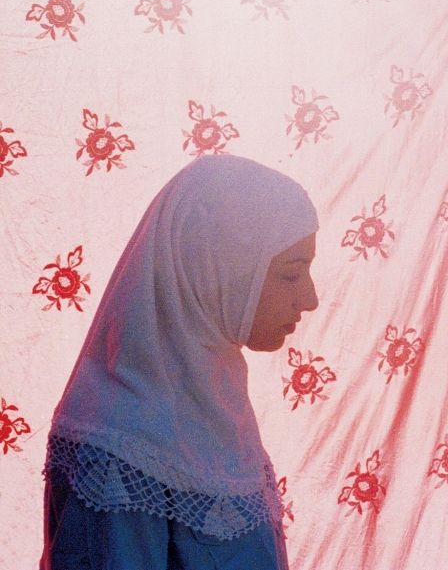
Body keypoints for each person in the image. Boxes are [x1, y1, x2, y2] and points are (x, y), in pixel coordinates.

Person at [39, 155, 320, 570]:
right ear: (213, 267)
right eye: (291, 274)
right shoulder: (119, 445)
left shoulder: (216, 400)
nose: (310, 300)